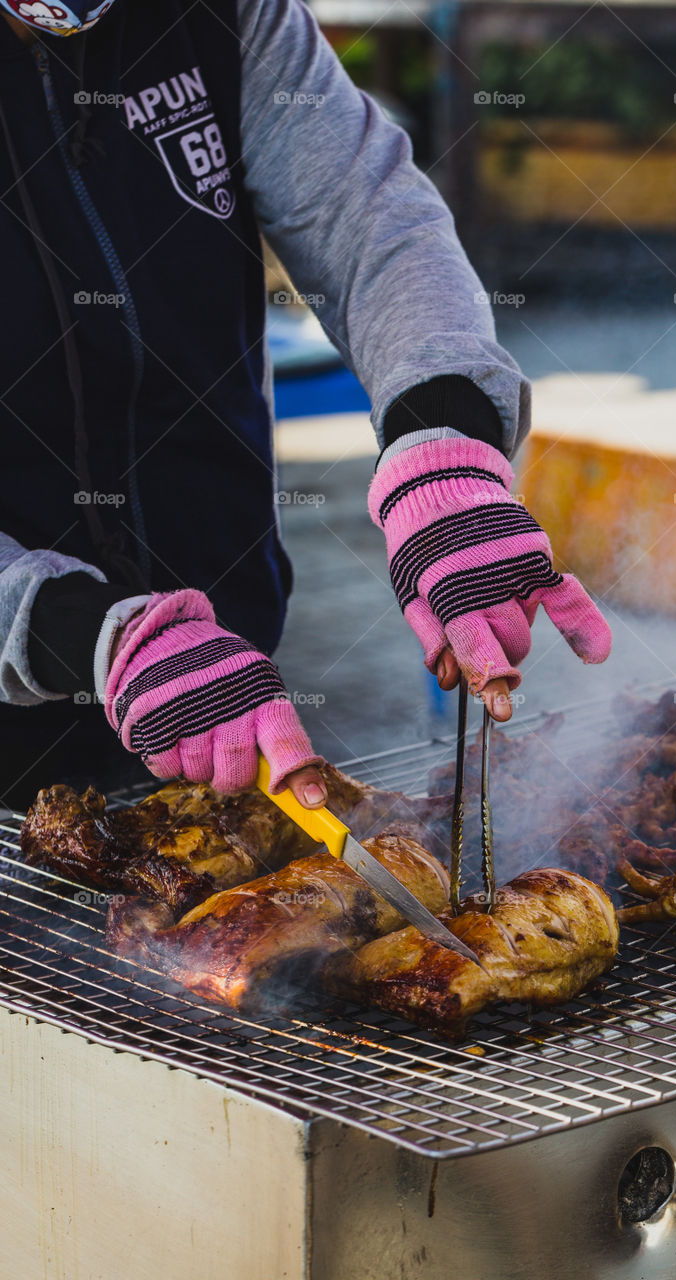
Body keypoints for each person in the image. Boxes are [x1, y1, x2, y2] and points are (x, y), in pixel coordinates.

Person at [0, 0, 611, 814]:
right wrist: (84, 632)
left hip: (226, 682)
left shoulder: (224, 14)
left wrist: (441, 439)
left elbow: (367, 219)